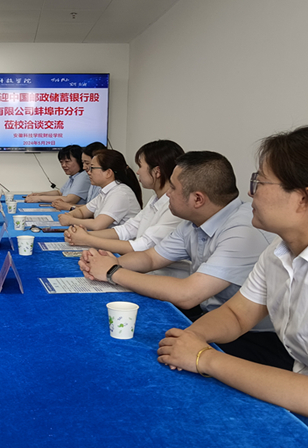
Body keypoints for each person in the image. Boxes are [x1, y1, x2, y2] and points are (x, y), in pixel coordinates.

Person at [157, 126, 308, 447]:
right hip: (299, 406)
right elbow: (237, 315)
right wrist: (193, 338)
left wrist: (204, 358)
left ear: (305, 198)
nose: (250, 193)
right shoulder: (279, 251)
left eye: (260, 182)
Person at [79, 151, 291, 370]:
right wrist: (107, 263)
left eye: (172, 187)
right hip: (216, 319)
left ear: (198, 199)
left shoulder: (244, 229)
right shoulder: (194, 222)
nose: (167, 194)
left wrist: (113, 272)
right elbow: (151, 258)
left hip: (257, 338)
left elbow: (188, 295)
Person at [65, 140, 185, 256]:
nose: (137, 172)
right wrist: (84, 236)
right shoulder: (155, 200)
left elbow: (143, 246)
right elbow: (127, 229)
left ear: (157, 171)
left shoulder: (174, 207)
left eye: (140, 166)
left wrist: (87, 239)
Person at [58, 149, 143, 230]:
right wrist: (69, 215)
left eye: (92, 168)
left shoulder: (120, 193)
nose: (88, 172)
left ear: (108, 173)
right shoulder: (105, 192)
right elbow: (82, 212)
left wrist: (70, 220)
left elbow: (97, 225)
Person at [25, 145, 90, 204]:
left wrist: (39, 198)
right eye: (61, 162)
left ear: (80, 161)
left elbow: (70, 199)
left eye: (67, 161)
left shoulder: (83, 176)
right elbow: (59, 193)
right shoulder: (74, 176)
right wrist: (40, 194)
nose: (63, 165)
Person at [51, 142, 106, 211]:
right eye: (83, 163)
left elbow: (96, 211)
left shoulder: (85, 177)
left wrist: (69, 207)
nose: (84, 167)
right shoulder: (94, 181)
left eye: (87, 163)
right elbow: (90, 207)